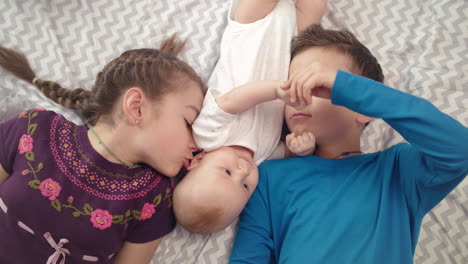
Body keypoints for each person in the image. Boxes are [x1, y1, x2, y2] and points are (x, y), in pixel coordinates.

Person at [229, 23, 468, 263]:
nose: (297, 96)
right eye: (292, 85)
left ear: (363, 107)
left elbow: (459, 149)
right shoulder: (268, 177)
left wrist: (346, 87)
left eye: (316, 85)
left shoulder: (397, 171)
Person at [0, 35, 204, 263]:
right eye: (188, 123)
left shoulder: (154, 198)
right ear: (136, 107)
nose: (196, 145)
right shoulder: (35, 129)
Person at [172, 0, 327, 234]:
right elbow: (288, 150)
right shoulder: (261, 156)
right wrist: (302, 149)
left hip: (250, 29)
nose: (243, 171)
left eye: (227, 172)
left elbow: (234, 100)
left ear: (198, 161)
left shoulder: (208, 136)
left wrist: (276, 91)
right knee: (314, 8)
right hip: (291, 43)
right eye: (245, 186)